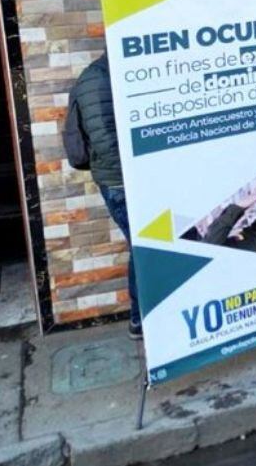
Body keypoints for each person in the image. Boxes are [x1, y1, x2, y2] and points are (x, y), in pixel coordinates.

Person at [65, 55, 142, 339]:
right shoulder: (97, 80)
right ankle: (140, 320)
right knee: (144, 248)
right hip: (121, 185)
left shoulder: (114, 73)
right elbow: (108, 144)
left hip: (133, 181)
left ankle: (144, 318)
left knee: (144, 247)